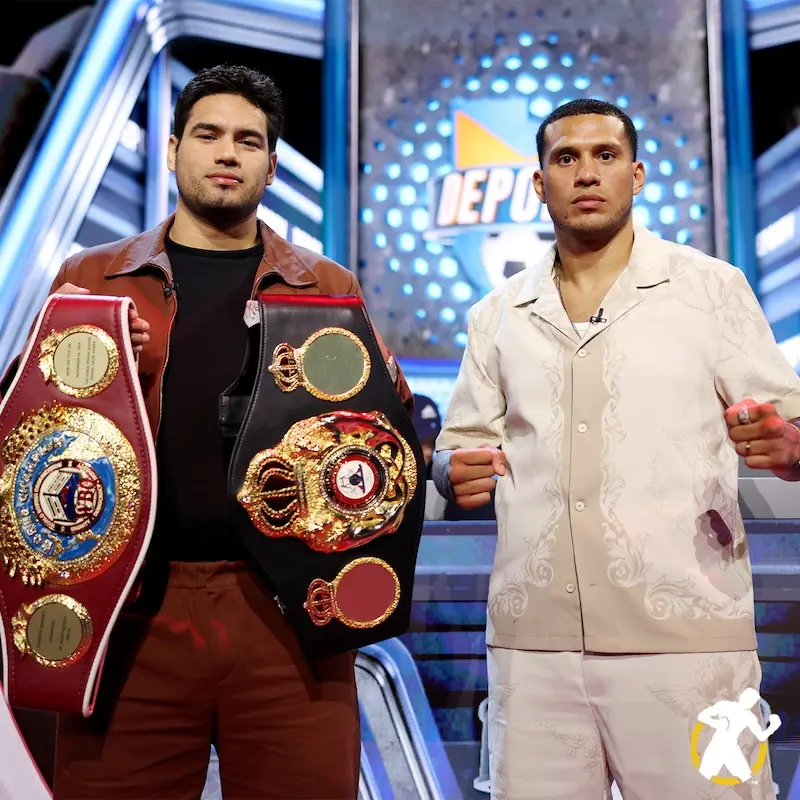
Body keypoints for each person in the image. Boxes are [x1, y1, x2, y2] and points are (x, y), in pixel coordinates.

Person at [7, 65, 411, 800]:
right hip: (130, 616)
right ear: (172, 151)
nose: (228, 152)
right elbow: (24, 440)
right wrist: (89, 364)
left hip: (290, 616)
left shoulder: (325, 283)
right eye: (209, 135)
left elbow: (391, 431)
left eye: (248, 141)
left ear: (270, 164)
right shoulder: (92, 279)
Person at [432, 98, 798, 799]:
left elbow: (790, 429)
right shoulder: (496, 314)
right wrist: (454, 471)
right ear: (539, 184)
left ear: (636, 175)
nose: (586, 173)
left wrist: (786, 444)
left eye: (604, 156)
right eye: (566, 158)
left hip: (692, 644)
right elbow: (460, 450)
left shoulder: (712, 289)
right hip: (533, 650)